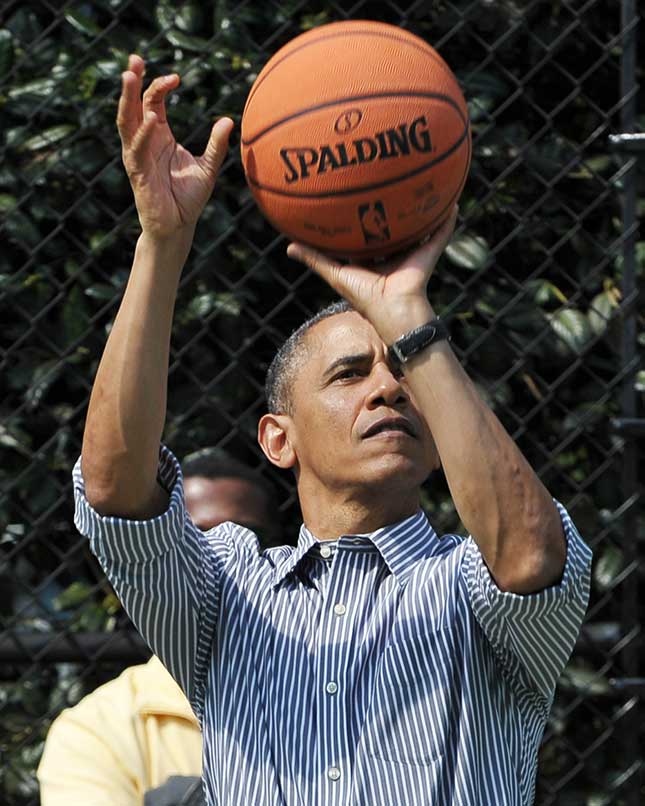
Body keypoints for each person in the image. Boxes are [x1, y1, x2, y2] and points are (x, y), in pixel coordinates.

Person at [72, 54, 592, 806]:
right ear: (277, 440)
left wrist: (409, 316)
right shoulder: (224, 593)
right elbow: (117, 489)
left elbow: (527, 556)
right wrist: (161, 241)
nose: (389, 386)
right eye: (350, 375)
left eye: (406, 374)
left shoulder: (469, 585)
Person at [38, 448, 277, 806]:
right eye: (194, 542)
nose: (224, 559)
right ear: (153, 559)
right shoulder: (98, 728)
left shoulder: (337, 690)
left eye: (246, 539)